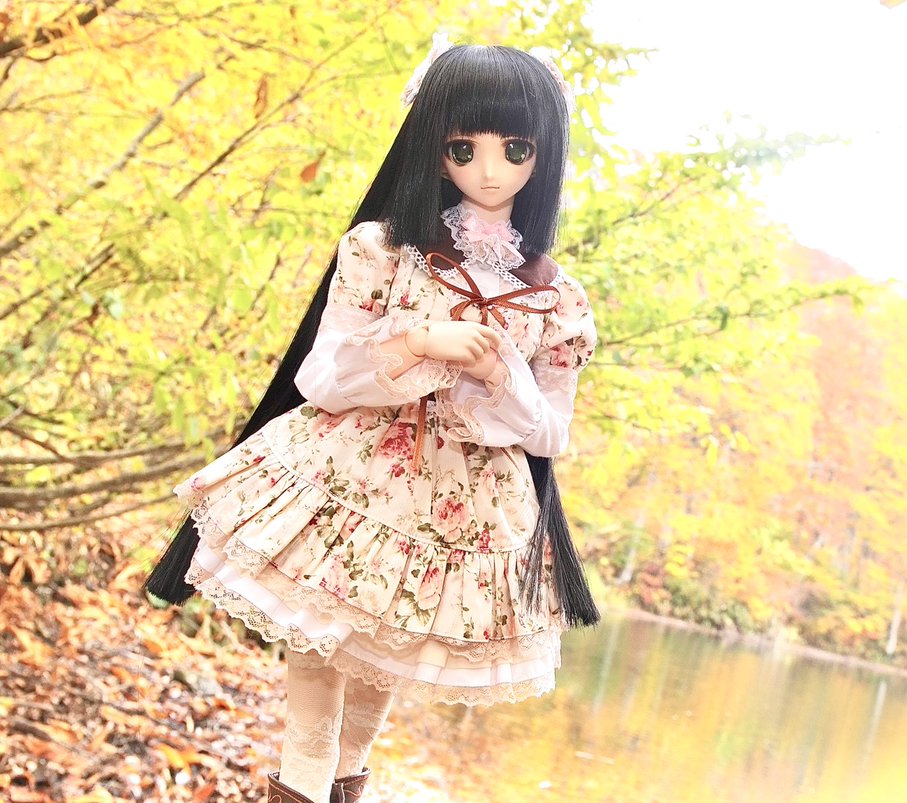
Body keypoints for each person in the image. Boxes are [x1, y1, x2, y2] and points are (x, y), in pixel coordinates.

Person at [141, 37, 598, 803]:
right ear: (434, 147)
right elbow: (320, 376)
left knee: (364, 720)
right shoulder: (382, 251)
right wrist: (416, 342)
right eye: (464, 147)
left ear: (542, 154)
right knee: (312, 725)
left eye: (515, 149)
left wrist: (501, 374)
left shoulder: (558, 299)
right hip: (349, 484)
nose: (490, 170)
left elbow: (552, 431)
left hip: (460, 519)